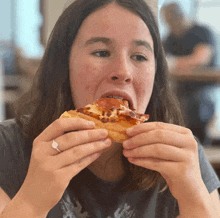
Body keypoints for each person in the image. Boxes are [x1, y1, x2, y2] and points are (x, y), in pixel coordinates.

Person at [0, 0, 220, 217]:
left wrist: (194, 201)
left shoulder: (181, 155)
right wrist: (31, 202)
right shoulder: (9, 147)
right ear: (63, 66)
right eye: (101, 52)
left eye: (139, 56)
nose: (123, 71)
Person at [161, 2, 218, 145]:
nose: (171, 24)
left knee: (197, 110)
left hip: (203, 89)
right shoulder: (169, 38)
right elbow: (161, 60)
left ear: (180, 16)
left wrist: (173, 63)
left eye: (172, 19)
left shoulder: (201, 32)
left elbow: (201, 58)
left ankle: (201, 148)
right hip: (180, 88)